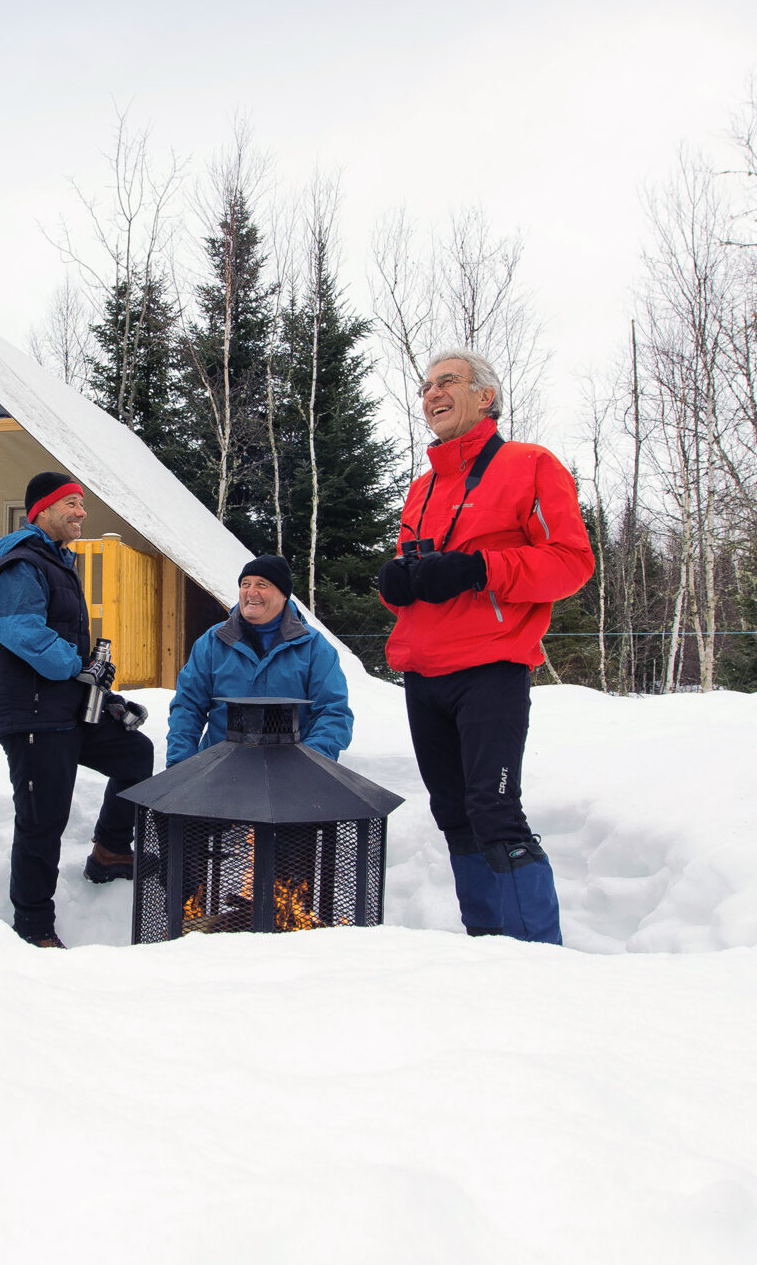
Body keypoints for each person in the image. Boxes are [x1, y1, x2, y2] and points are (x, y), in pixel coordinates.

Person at [376, 348, 593, 943]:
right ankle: (488, 949)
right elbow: (422, 577)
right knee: (453, 814)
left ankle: (538, 954)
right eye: (424, 386)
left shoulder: (531, 465)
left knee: (495, 811)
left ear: (485, 396)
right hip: (423, 671)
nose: (432, 394)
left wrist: (480, 569)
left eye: (447, 382)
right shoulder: (420, 489)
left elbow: (572, 562)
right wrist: (397, 584)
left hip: (491, 665)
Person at [0, 471, 155, 948]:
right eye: (72, 503)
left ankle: (110, 852)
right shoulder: (21, 564)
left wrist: (101, 690)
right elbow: (19, 631)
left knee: (135, 755)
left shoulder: (56, 562)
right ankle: (33, 927)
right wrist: (78, 664)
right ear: (43, 511)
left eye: (81, 503)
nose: (81, 512)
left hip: (64, 711)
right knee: (42, 819)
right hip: (32, 717)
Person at [165, 555, 353, 767]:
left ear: (283, 595)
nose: (251, 592)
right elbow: (187, 707)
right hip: (220, 769)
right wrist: (181, 767)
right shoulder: (212, 642)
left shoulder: (313, 646)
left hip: (290, 771)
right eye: (245, 584)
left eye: (262, 585)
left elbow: (333, 713)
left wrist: (309, 766)